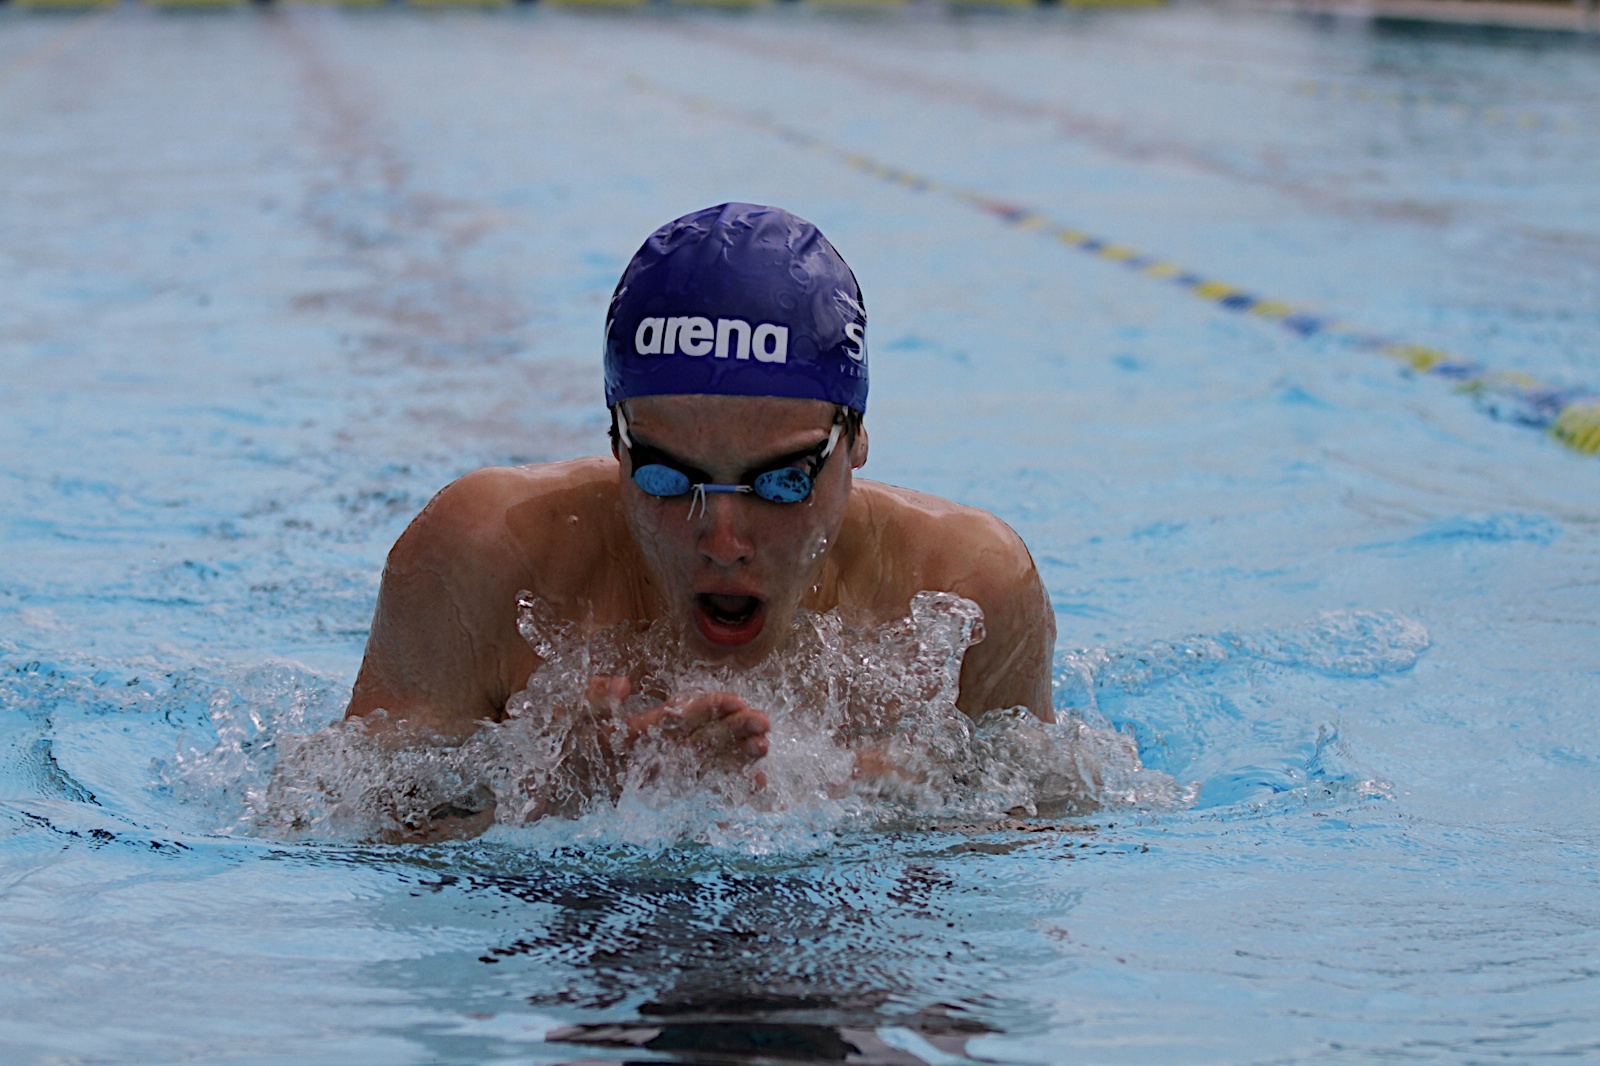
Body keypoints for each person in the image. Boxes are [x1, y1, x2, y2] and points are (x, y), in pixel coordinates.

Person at [345, 203, 1055, 836]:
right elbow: (338, 825)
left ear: (856, 440)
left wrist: (911, 811)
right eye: (666, 476)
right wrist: (547, 796)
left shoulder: (968, 586)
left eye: (780, 482)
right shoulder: (485, 556)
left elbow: (1044, 836)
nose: (722, 541)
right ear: (617, 443)